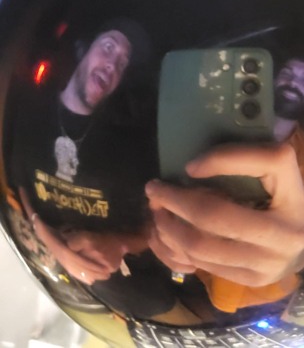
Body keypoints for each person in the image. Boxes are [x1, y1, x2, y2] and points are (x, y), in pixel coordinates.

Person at [9, 19, 185, 320]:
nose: (112, 65)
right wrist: (52, 242)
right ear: (83, 51)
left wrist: (118, 244)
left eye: (122, 63)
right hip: (46, 286)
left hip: (124, 300)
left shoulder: (128, 146)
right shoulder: (31, 119)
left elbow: (153, 225)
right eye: (108, 47)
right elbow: (20, 182)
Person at [146, 55, 304, 315]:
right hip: (197, 281)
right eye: (287, 73)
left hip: (266, 300)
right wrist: (159, 227)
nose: (294, 82)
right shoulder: (209, 130)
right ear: (267, 82)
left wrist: (294, 259)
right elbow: (167, 187)